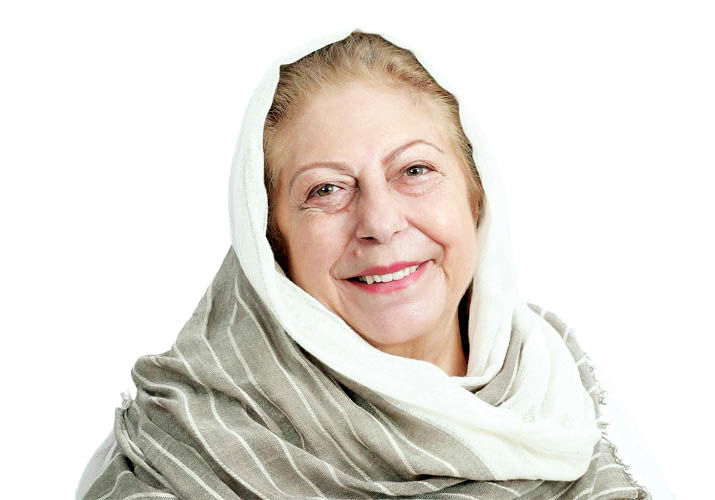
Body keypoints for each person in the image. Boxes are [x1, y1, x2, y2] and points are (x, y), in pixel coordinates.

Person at [77, 29, 662, 499]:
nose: (380, 222)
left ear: (475, 196)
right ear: (271, 244)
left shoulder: (556, 390)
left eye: (415, 170)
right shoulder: (175, 459)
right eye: (327, 190)